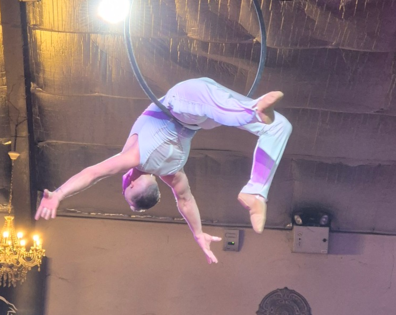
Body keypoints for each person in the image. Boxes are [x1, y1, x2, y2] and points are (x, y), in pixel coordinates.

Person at [35, 77, 292, 264]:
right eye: (125, 190)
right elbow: (92, 174)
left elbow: (185, 201)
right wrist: (58, 194)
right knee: (233, 109)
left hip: (202, 117)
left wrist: (198, 233)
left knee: (279, 126)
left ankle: (256, 186)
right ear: (131, 184)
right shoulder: (134, 158)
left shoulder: (173, 173)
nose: (123, 184)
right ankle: (253, 122)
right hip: (183, 103)